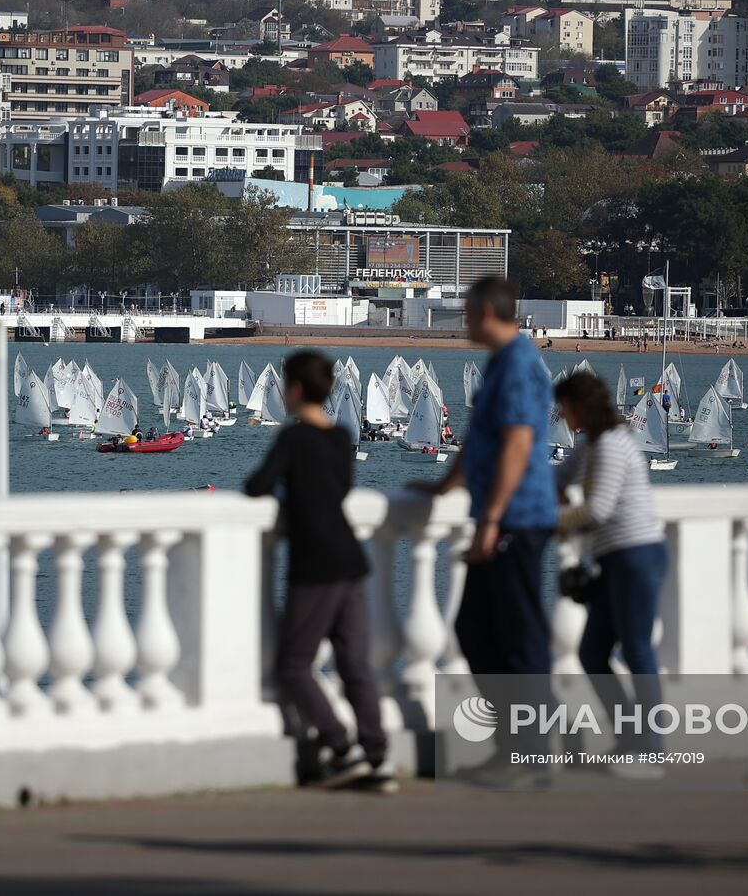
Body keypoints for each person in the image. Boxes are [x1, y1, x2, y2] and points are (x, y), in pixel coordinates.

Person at [411, 277, 557, 771]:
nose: (464, 324)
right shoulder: (503, 362)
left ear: (488, 313)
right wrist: (445, 486)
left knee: (514, 634)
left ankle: (530, 750)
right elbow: (480, 440)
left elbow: (516, 444)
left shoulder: (516, 362)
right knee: (478, 628)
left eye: (468, 314)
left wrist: (491, 518)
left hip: (517, 516)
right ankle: (522, 742)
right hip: (504, 515)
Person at [245, 351, 392, 792]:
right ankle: (378, 758)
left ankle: (339, 745)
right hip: (351, 559)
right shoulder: (341, 436)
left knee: (293, 666)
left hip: (315, 563)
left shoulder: (294, 438)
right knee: (355, 665)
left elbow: (257, 486)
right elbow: (340, 487)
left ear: (293, 390)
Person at [553, 373, 667, 751]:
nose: (562, 416)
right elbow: (560, 477)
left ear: (578, 407)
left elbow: (598, 510)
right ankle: (630, 736)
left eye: (564, 408)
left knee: (636, 647)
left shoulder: (611, 446)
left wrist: (554, 522)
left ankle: (650, 743)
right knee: (592, 651)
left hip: (635, 556)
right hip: (616, 559)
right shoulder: (593, 444)